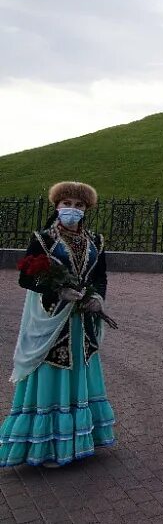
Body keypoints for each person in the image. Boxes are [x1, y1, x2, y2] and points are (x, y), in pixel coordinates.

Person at [0, 182, 115, 468]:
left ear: (86, 209)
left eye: (78, 205)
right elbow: (26, 278)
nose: (72, 210)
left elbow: (100, 276)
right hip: (53, 320)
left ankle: (80, 438)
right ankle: (49, 445)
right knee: (53, 373)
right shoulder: (43, 239)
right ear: (56, 206)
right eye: (67, 204)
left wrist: (97, 298)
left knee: (79, 373)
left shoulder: (95, 241)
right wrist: (57, 290)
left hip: (81, 321)